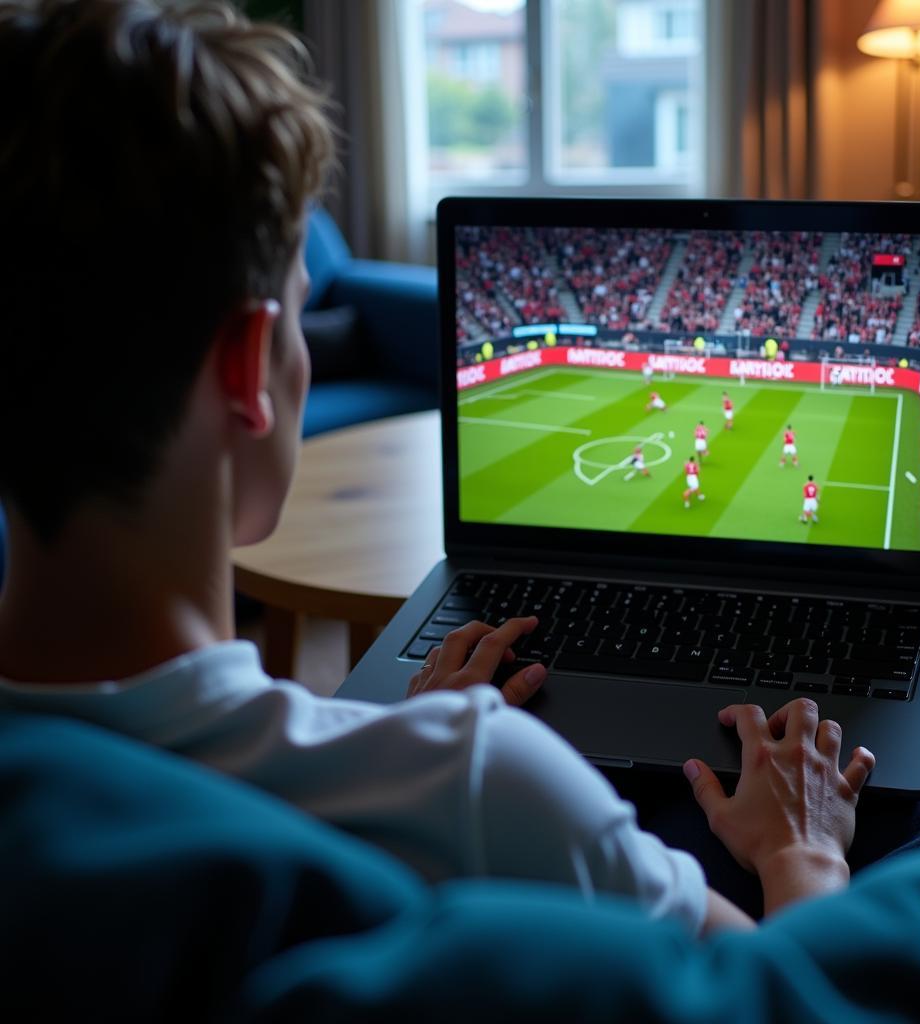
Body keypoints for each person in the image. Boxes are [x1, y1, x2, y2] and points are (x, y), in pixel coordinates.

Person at [0, 0, 875, 943]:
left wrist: (397, 727)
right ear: (250, 367)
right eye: (299, 311)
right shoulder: (468, 780)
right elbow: (791, 997)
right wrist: (805, 854)